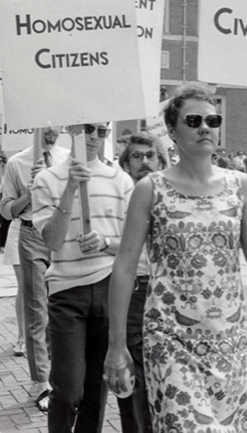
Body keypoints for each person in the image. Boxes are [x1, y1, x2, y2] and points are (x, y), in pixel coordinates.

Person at [104, 86, 247, 433]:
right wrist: (116, 345)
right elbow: (125, 266)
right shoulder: (151, 189)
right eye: (194, 120)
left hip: (228, 341)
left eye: (212, 120)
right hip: (170, 339)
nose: (205, 127)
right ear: (172, 131)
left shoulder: (240, 184)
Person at [31, 123, 133, 432]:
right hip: (67, 291)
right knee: (67, 390)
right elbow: (50, 240)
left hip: (109, 289)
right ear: (71, 129)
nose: (93, 137)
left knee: (95, 392)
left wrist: (105, 242)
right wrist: (70, 190)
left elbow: (133, 245)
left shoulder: (121, 179)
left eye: (102, 131)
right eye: (87, 129)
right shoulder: (47, 178)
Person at [0, 127, 70, 412]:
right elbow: (6, 211)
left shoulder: (68, 158)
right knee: (36, 309)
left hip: (64, 236)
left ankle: (64, 372)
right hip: (31, 235)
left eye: (57, 127)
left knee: (64, 307)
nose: (52, 132)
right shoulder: (18, 162)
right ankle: (42, 381)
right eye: (46, 126)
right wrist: (28, 194)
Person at [117, 132, 166, 433]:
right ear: (126, 163)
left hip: (164, 295)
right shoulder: (120, 195)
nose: (144, 162)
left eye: (150, 155)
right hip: (134, 293)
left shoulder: (172, 198)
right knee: (134, 382)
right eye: (137, 156)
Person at [2, 219, 25, 356]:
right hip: (21, 228)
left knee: (48, 286)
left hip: (46, 228)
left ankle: (47, 336)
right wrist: (27, 197)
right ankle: (22, 338)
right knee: (24, 285)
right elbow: (6, 211)